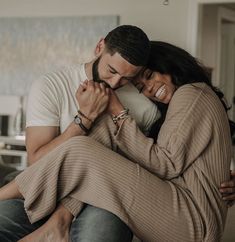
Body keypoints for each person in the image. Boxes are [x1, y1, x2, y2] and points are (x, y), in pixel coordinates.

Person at [1, 40, 235, 242]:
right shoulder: (178, 107)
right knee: (102, 131)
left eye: (150, 76)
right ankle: (59, 223)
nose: (150, 89)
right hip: (181, 207)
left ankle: (18, 202)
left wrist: (116, 109)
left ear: (171, 64)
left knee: (81, 146)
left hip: (194, 221)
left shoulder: (192, 93)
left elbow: (167, 164)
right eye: (142, 87)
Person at [0, 25, 160, 242]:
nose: (114, 83)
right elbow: (37, 161)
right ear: (99, 47)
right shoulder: (51, 86)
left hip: (102, 199)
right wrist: (85, 118)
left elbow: (138, 167)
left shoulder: (145, 108)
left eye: (126, 78)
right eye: (112, 71)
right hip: (45, 186)